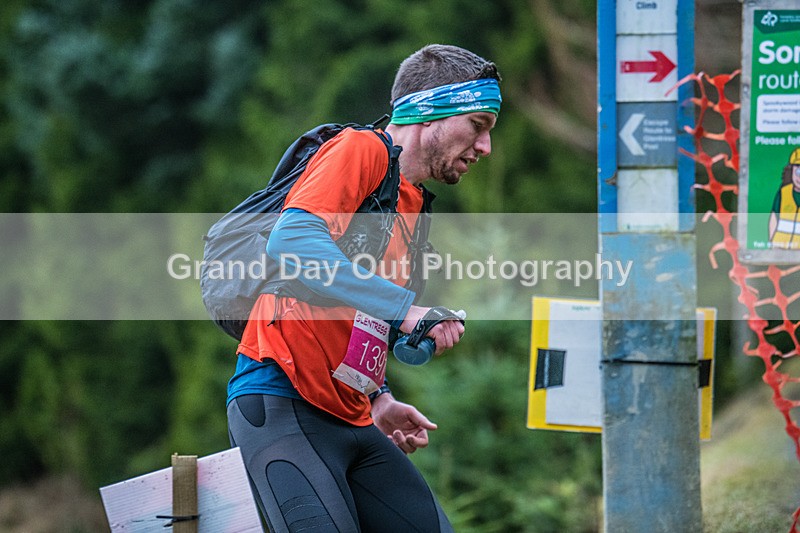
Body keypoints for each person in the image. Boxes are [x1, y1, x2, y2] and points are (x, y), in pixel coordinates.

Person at [227, 44, 501, 533]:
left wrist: (379, 396)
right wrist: (409, 311)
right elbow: (293, 241)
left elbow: (356, 301)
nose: (484, 147)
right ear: (428, 111)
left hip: (354, 417)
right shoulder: (361, 148)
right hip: (282, 405)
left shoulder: (409, 199)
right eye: (478, 125)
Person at [768, 147, 800, 249]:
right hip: (780, 248)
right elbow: (774, 218)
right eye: (798, 172)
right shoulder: (783, 193)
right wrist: (772, 242)